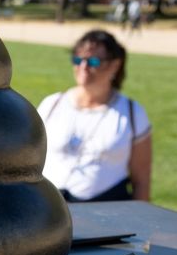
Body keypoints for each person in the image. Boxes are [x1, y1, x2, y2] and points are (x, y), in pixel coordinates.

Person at [38, 29, 152, 203]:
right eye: (77, 60)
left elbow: (141, 179)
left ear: (115, 65)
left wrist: (140, 221)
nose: (83, 67)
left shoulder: (131, 113)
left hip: (107, 214)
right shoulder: (52, 104)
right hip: (49, 210)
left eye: (93, 61)